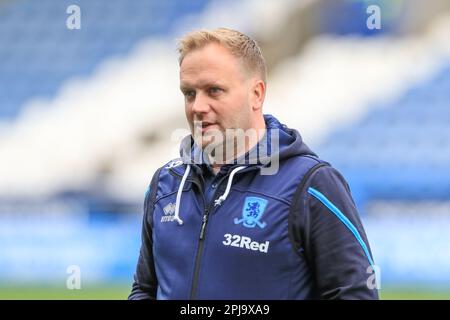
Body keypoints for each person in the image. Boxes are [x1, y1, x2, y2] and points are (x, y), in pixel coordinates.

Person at [128, 28, 379, 300]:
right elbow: (145, 290)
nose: (197, 107)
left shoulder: (312, 185)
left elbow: (356, 294)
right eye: (189, 93)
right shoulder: (166, 184)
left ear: (256, 94)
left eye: (214, 90)